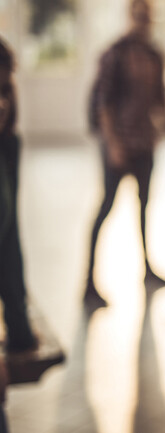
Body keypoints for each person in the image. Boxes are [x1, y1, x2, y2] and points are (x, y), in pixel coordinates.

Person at [84, 0, 165, 306]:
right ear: (130, 15)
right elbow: (104, 103)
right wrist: (113, 144)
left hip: (144, 144)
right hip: (119, 145)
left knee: (144, 207)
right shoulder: (114, 53)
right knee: (107, 208)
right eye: (138, 14)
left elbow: (160, 102)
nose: (143, 20)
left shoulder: (155, 55)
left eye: (147, 15)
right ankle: (88, 282)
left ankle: (147, 269)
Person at [0, 36, 38, 355]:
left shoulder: (10, 145)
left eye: (4, 91)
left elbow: (10, 242)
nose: (1, 103)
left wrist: (20, 326)